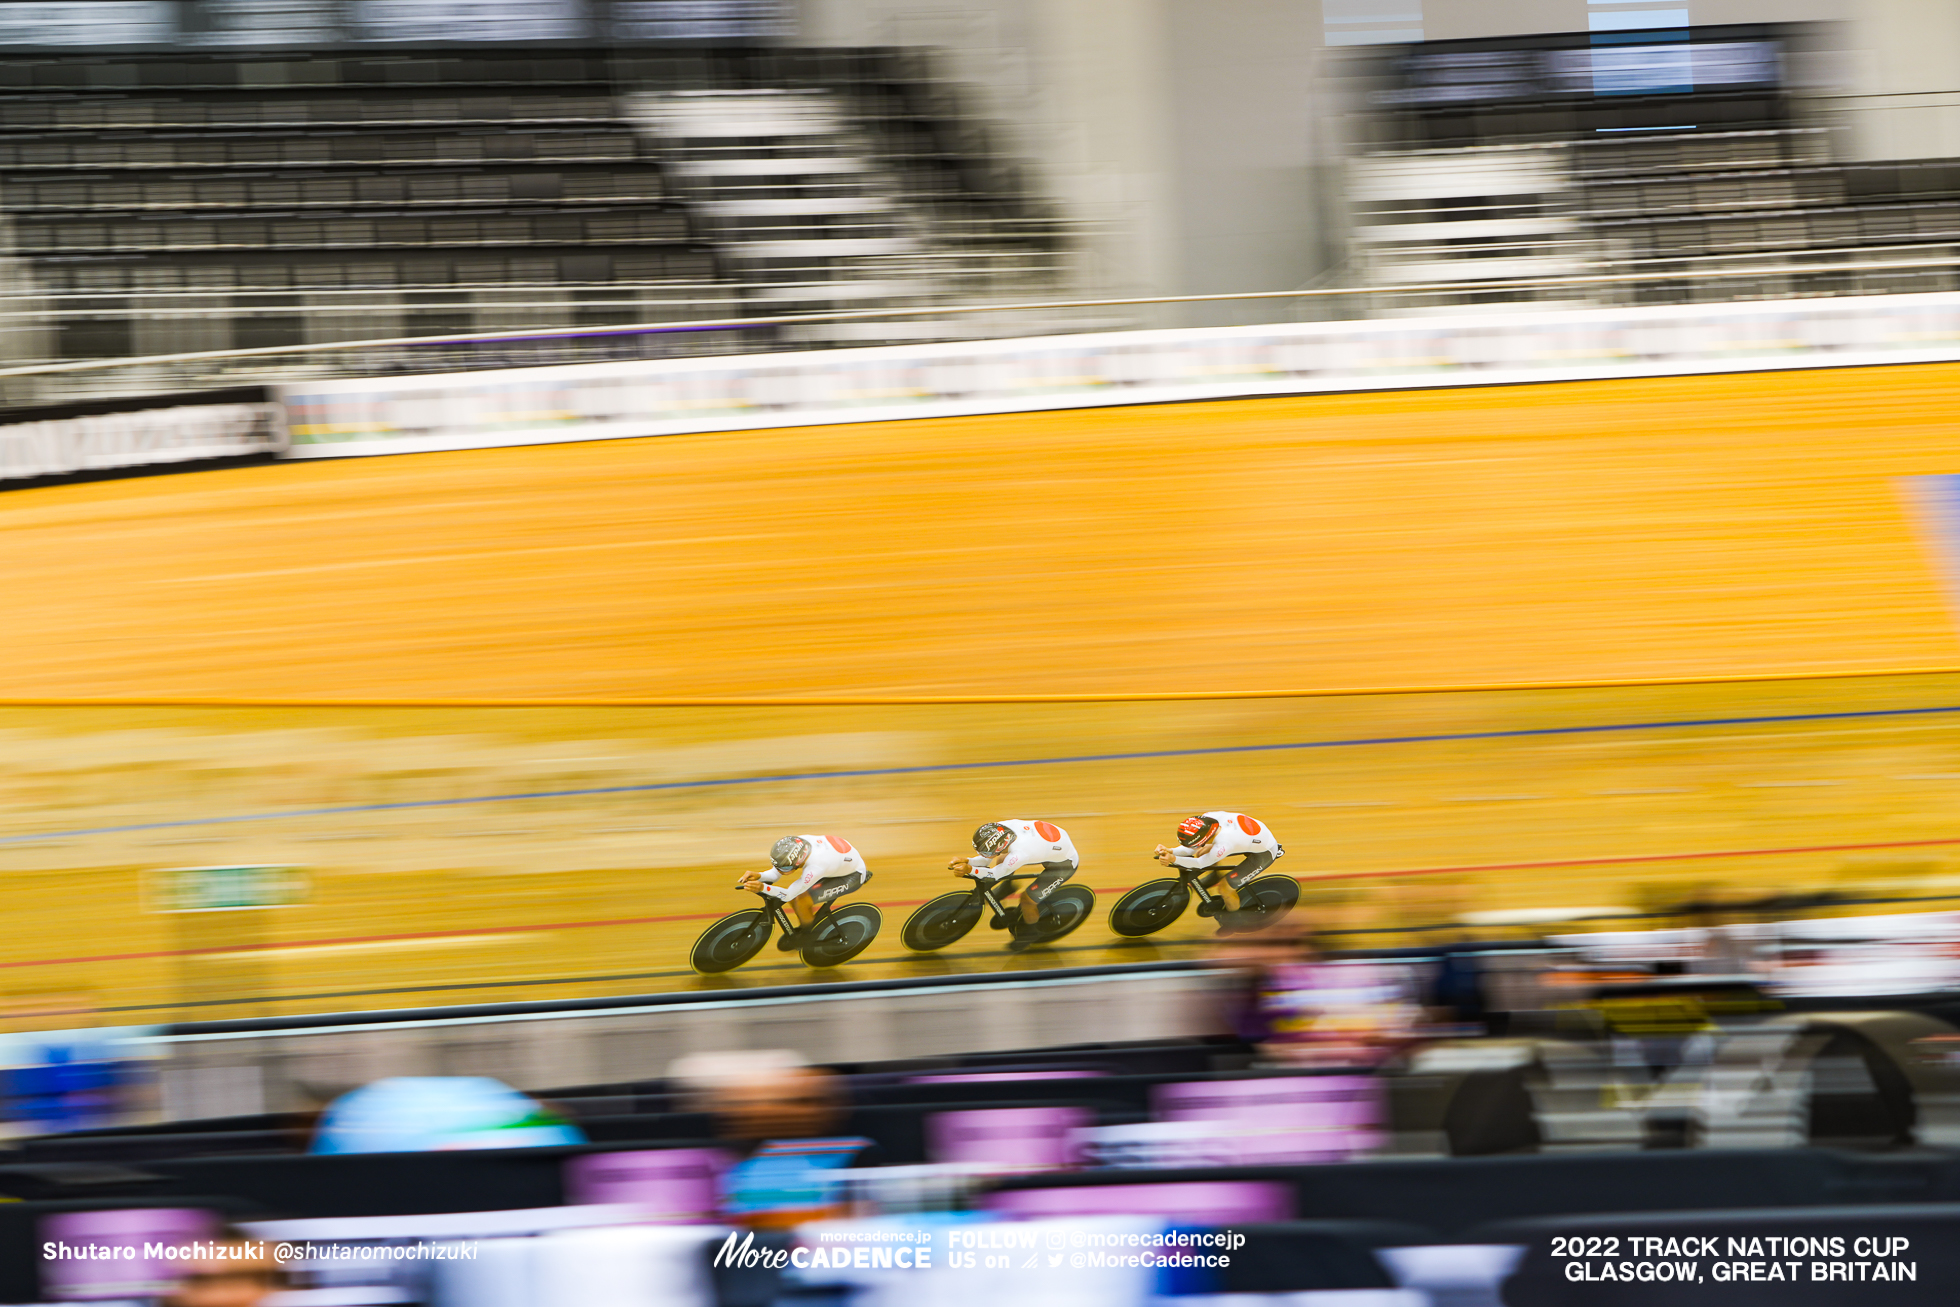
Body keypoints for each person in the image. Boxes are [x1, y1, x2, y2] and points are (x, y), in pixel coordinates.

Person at [948, 818, 1079, 950]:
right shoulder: (1002, 828)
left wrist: (970, 869)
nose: (986, 855)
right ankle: (1007, 887)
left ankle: (1031, 933)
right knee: (1002, 858)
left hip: (1064, 863)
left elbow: (994, 875)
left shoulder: (1020, 854)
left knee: (1027, 899)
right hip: (1050, 845)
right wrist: (967, 861)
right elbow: (988, 857)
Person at [736, 834, 870, 952]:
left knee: (801, 900)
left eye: (786, 867)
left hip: (852, 876)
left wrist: (762, 888)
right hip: (837, 864)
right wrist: (759, 875)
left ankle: (808, 935)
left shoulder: (815, 867)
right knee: (794, 896)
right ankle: (806, 922)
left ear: (799, 860)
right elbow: (777, 873)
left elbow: (789, 894)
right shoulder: (798, 844)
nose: (783, 871)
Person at [1154, 811, 1283, 930]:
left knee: (1225, 888)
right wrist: (1170, 850)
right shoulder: (1209, 818)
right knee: (1207, 850)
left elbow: (1200, 864)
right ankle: (1215, 874)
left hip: (1265, 852)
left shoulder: (1225, 844)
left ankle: (1234, 921)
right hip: (1248, 837)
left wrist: (1173, 858)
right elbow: (1192, 847)